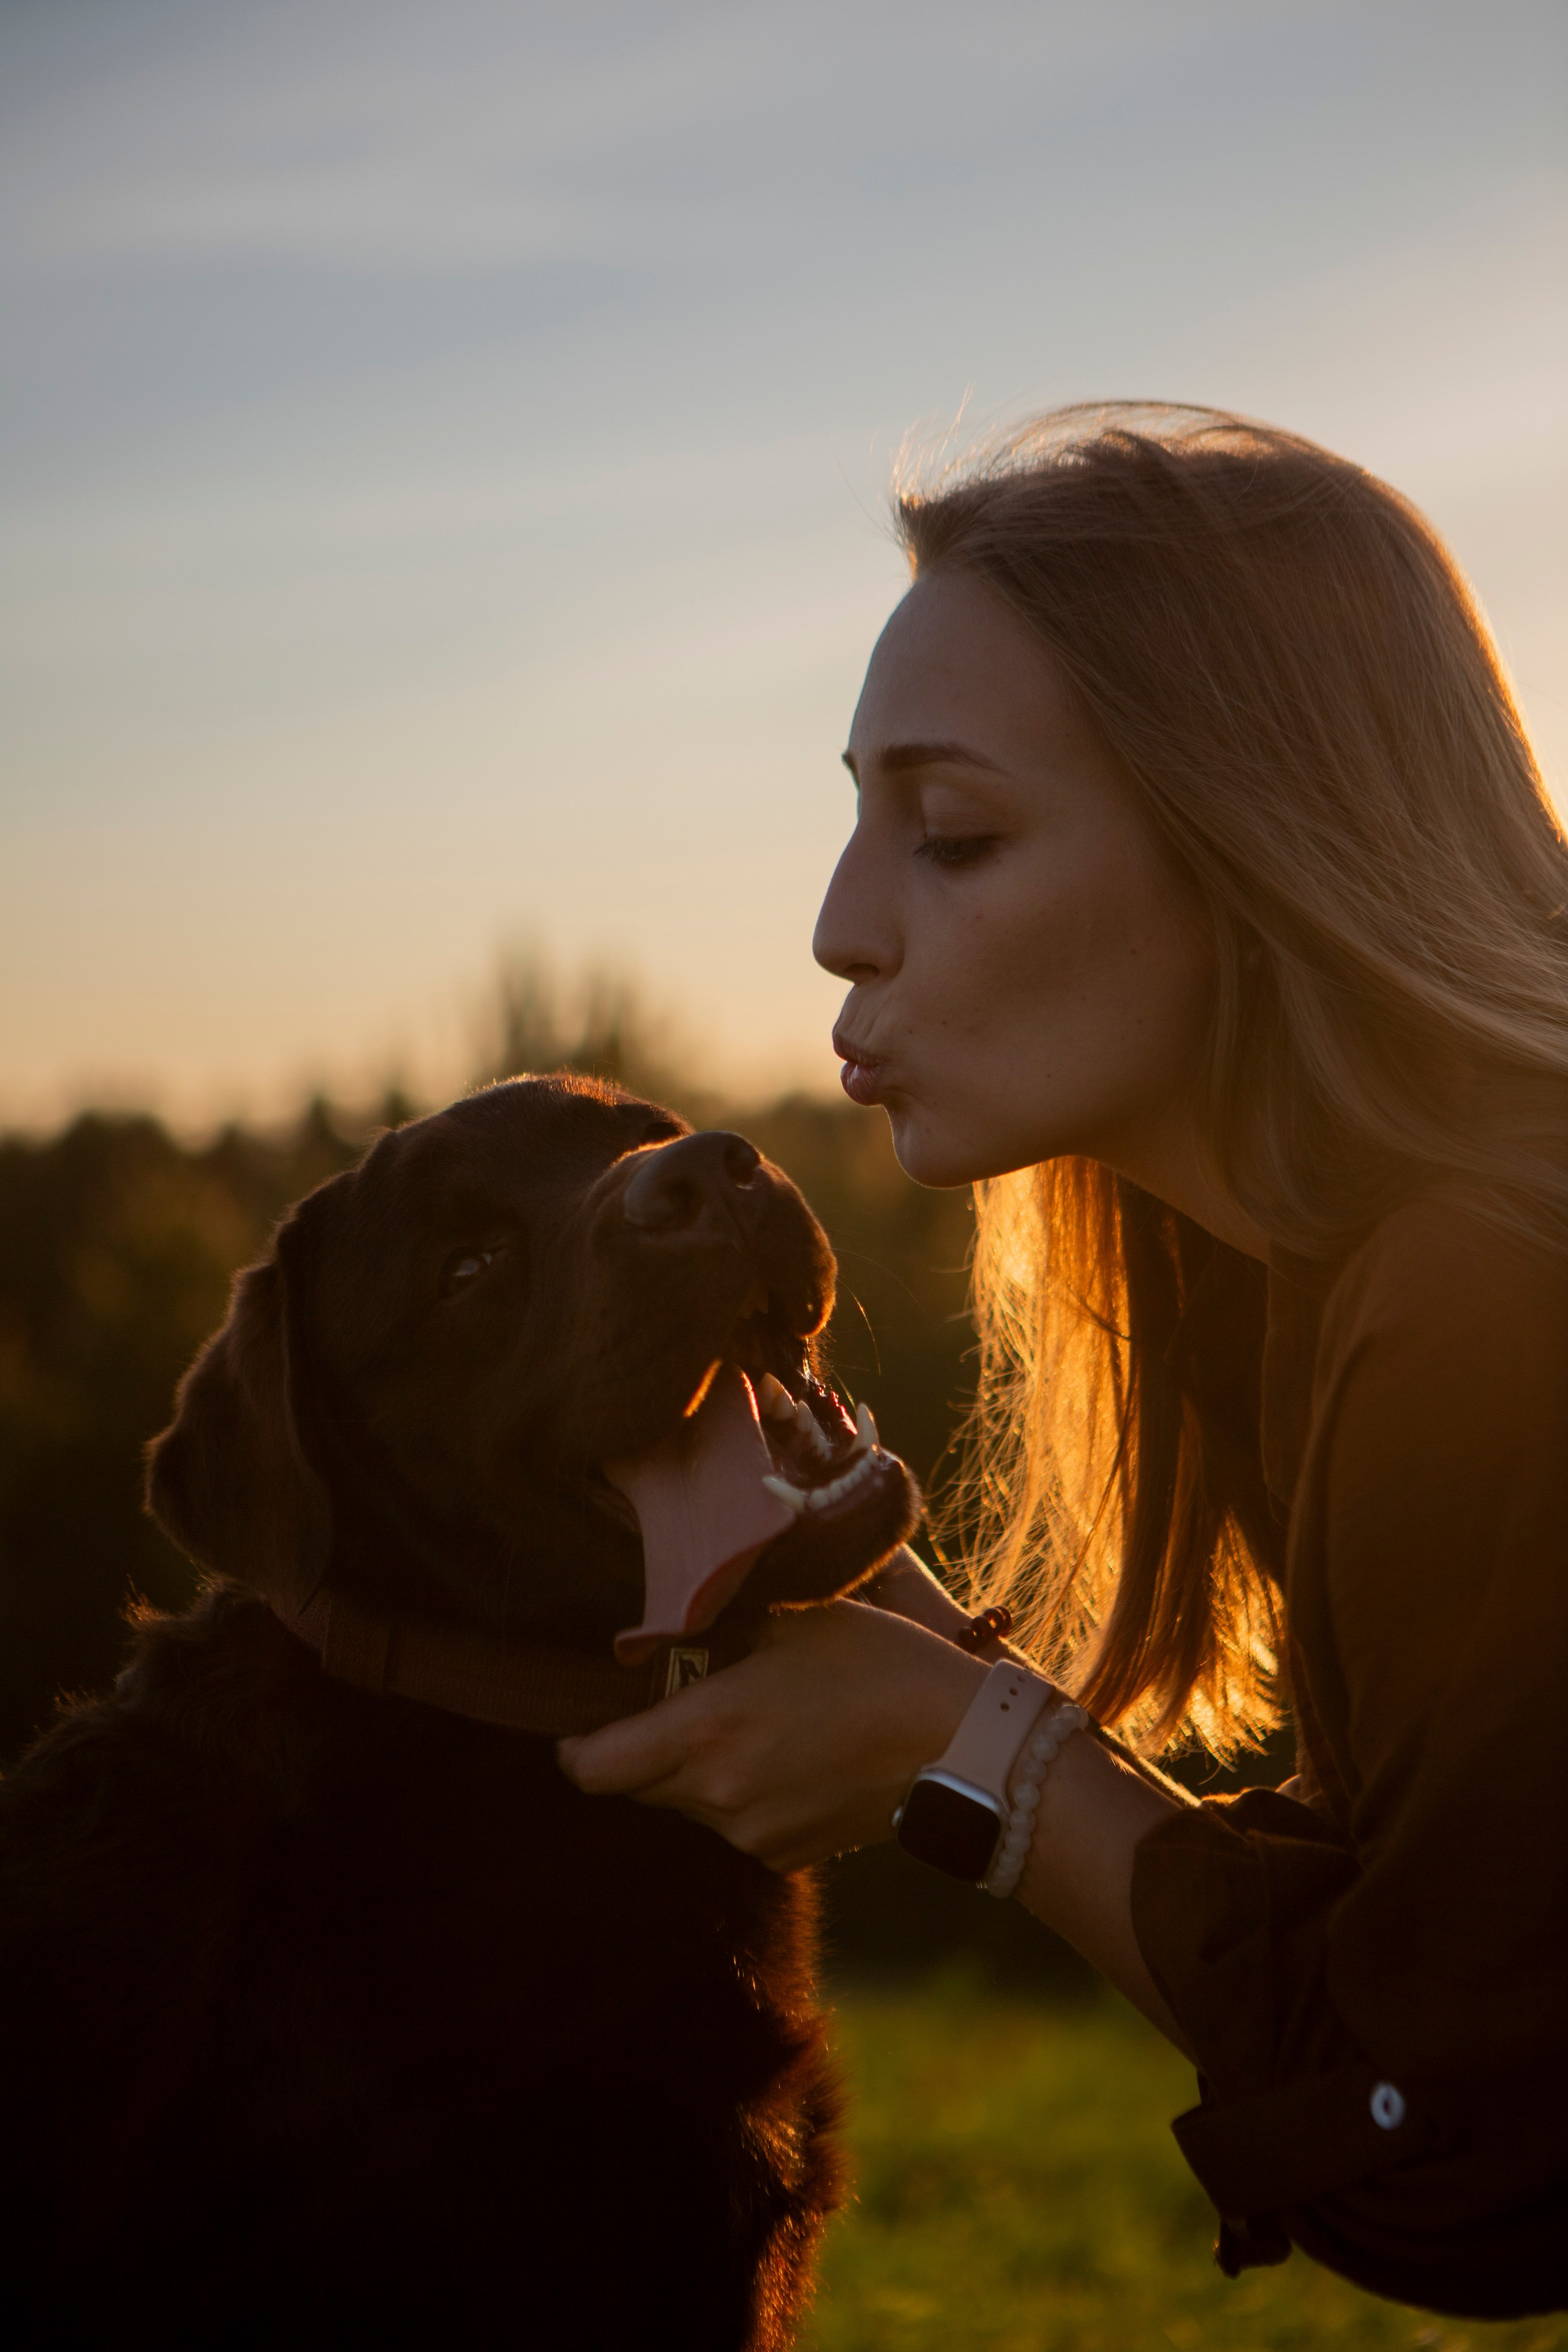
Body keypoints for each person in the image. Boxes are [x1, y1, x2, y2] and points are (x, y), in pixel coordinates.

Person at [559, 405, 1568, 2320]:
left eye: (953, 836)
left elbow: (1458, 2144)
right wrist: (949, 1680)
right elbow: (1447, 1937)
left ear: (1260, 838)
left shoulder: (1485, 1303)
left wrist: (965, 1754)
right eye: (864, 820)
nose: (842, 925)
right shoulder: (1325, 1274)